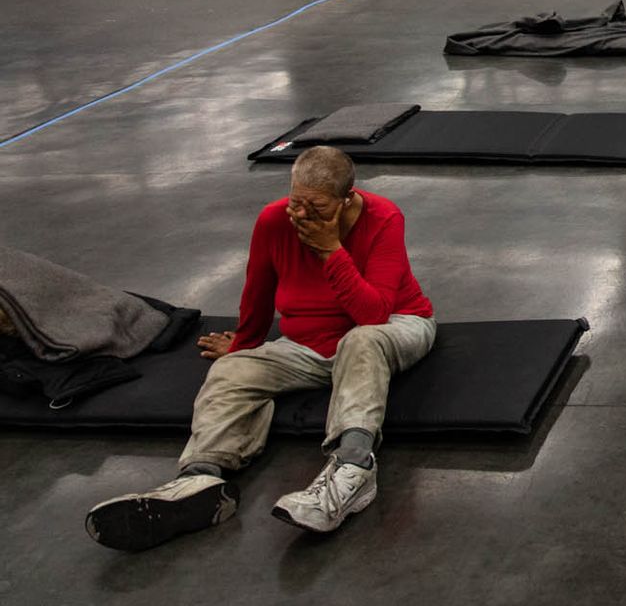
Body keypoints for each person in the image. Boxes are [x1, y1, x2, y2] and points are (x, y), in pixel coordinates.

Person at [85, 148, 435, 551]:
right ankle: (200, 479)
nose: (302, 215)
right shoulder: (273, 220)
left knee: (361, 340)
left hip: (394, 325)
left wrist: (330, 250)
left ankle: (353, 468)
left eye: (316, 207)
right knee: (233, 370)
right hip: (309, 344)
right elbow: (258, 291)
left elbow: (372, 314)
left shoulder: (383, 217)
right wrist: (245, 343)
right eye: (296, 202)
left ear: (347, 198)